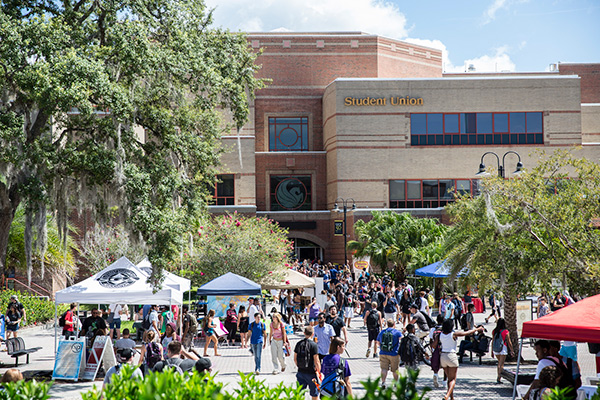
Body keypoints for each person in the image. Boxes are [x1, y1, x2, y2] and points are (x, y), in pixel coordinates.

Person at [432, 318, 485, 400]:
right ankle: (446, 396)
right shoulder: (453, 334)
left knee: (449, 379)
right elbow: (466, 333)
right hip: (452, 356)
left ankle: (452, 397)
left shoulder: (440, 335)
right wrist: (477, 329)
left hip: (443, 357)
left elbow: (433, 345)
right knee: (453, 379)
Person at [294, 325, 320, 400]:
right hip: (311, 373)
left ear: (304, 333)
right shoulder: (314, 345)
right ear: (312, 334)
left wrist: (299, 366)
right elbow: (316, 360)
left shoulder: (299, 344)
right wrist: (318, 371)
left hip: (301, 372)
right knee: (314, 393)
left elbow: (295, 358)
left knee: (300, 393)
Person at [376, 318, 403, 389]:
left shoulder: (382, 332)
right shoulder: (397, 332)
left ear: (387, 324)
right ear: (394, 324)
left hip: (383, 353)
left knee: (384, 369)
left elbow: (378, 342)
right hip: (394, 353)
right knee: (395, 370)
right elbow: (402, 340)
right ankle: (396, 383)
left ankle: (383, 382)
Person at [491, 318, 514, 384]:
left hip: (496, 348)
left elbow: (493, 341)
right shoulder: (505, 331)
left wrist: (492, 351)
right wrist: (512, 350)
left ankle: (499, 376)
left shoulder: (494, 331)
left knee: (499, 363)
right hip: (503, 348)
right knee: (501, 364)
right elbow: (509, 342)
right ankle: (499, 377)